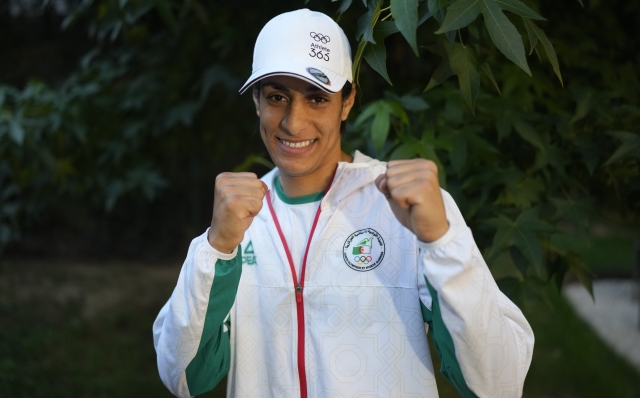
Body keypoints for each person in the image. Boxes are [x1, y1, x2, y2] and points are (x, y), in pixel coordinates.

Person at [153, 8, 534, 398]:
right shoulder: (237, 219)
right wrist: (215, 248)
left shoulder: (407, 208)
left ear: (348, 101)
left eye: (317, 97)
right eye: (277, 96)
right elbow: (183, 377)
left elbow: (497, 384)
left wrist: (442, 241)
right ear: (256, 101)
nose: (293, 123)